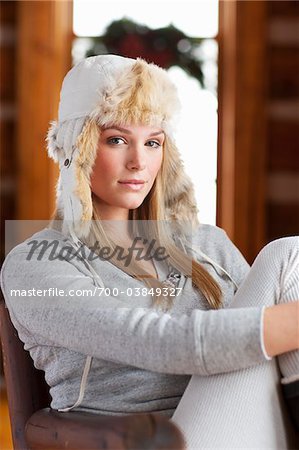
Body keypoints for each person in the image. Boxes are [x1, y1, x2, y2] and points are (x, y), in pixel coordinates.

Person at [0, 54, 298, 449]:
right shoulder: (34, 264)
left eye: (153, 142)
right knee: (288, 256)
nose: (139, 161)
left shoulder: (207, 243)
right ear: (78, 146)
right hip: (154, 439)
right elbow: (162, 343)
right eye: (117, 139)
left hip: (259, 423)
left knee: (288, 255)